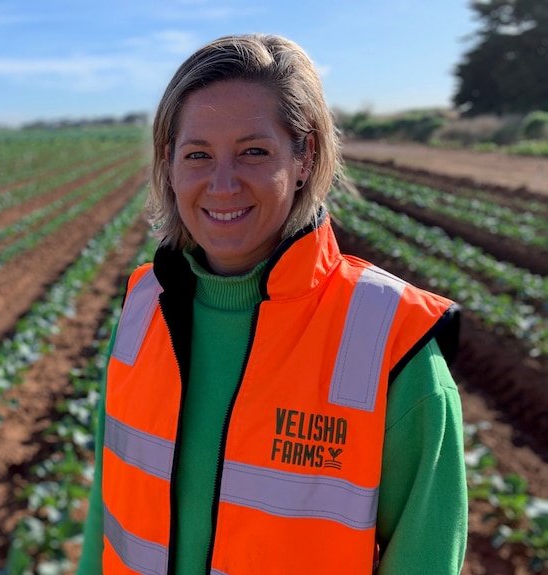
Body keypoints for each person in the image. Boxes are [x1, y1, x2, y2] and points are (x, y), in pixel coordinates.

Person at [76, 33, 467, 574]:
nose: (223, 184)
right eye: (198, 155)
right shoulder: (144, 308)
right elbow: (107, 513)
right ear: (169, 163)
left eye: (253, 152)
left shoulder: (390, 341)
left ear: (304, 156)